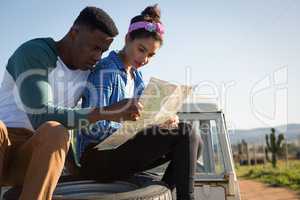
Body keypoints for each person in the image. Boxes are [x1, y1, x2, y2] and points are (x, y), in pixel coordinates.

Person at [0, 7, 142, 200]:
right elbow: (41, 115)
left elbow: (66, 128)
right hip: (4, 142)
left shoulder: (89, 72)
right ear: (74, 33)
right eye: (94, 47)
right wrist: (107, 112)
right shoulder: (34, 52)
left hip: (31, 155)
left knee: (56, 131)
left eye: (103, 51)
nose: (98, 56)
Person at [77, 5, 202, 200]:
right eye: (141, 50)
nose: (144, 59)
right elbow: (93, 127)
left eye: (151, 55)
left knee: (194, 140)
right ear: (127, 39)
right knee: (187, 133)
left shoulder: (137, 77)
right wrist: (140, 129)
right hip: (96, 157)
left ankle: (165, 192)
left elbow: (145, 116)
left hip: (120, 151)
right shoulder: (106, 71)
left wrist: (163, 120)